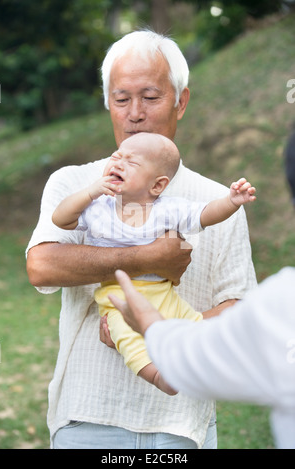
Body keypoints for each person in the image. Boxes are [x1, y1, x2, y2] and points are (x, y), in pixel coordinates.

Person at [26, 30, 256, 449]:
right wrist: (148, 256)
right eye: (120, 99)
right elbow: (42, 265)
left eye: (150, 97)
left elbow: (240, 310)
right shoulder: (78, 184)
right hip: (87, 416)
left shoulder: (214, 201)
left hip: (182, 424)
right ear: (107, 105)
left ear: (180, 101)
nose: (134, 113)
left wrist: (158, 333)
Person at [108, 146, 295, 450]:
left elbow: (191, 356)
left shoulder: (284, 303)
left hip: (150, 311)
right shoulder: (97, 202)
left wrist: (148, 323)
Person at [51, 132, 256, 395]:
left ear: (157, 186)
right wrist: (90, 192)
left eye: (132, 162)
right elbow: (62, 219)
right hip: (120, 300)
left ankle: (192, 368)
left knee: (191, 326)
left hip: (163, 294)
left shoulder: (167, 209)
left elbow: (204, 215)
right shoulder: (99, 208)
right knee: (128, 340)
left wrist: (230, 202)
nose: (118, 163)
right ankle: (160, 377)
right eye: (116, 156)